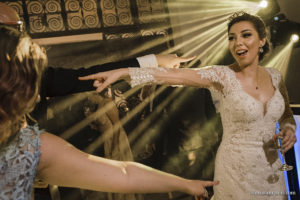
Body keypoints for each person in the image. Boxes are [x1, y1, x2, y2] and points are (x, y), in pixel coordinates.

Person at [79, 11, 297, 200]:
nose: (237, 42)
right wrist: (124, 72)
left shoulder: (275, 76)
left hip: (272, 170)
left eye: (246, 35)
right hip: (235, 170)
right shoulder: (222, 75)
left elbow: (286, 115)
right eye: (232, 38)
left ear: (262, 40)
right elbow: (172, 75)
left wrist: (289, 129)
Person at [0, 25, 219, 200]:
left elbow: (125, 173)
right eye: (31, 81)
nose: (38, 95)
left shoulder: (32, 145)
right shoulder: (28, 146)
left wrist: (187, 184)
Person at [0, 2, 194, 128]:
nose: (21, 35)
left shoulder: (36, 74)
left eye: (21, 28)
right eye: (15, 29)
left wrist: (155, 61)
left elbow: (90, 76)